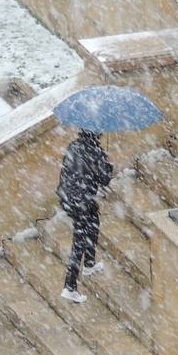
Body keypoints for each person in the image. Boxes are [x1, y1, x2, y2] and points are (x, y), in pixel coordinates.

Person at [57, 130, 113, 303]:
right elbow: (104, 179)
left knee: (94, 222)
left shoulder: (74, 146)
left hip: (70, 198)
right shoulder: (95, 152)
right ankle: (70, 287)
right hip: (81, 202)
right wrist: (107, 164)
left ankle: (89, 263)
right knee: (79, 241)